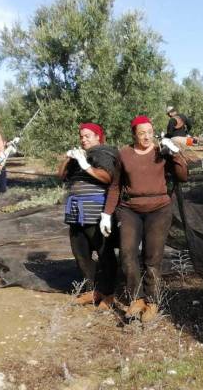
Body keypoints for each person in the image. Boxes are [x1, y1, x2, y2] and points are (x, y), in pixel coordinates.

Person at [101, 115, 188, 322]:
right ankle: (136, 297)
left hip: (159, 209)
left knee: (152, 259)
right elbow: (115, 186)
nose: (147, 137)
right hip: (130, 209)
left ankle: (153, 301)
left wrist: (175, 154)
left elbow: (183, 176)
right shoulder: (123, 154)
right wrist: (106, 213)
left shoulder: (162, 151)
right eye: (142, 133)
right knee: (128, 254)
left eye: (149, 132)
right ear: (134, 134)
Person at [58, 123, 119, 310]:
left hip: (96, 211)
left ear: (98, 137)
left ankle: (109, 293)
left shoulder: (104, 153)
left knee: (104, 253)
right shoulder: (79, 157)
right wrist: (68, 159)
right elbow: (60, 176)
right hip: (76, 213)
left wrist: (85, 165)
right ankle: (92, 289)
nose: (84, 139)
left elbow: (108, 177)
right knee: (81, 253)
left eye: (88, 136)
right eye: (82, 136)